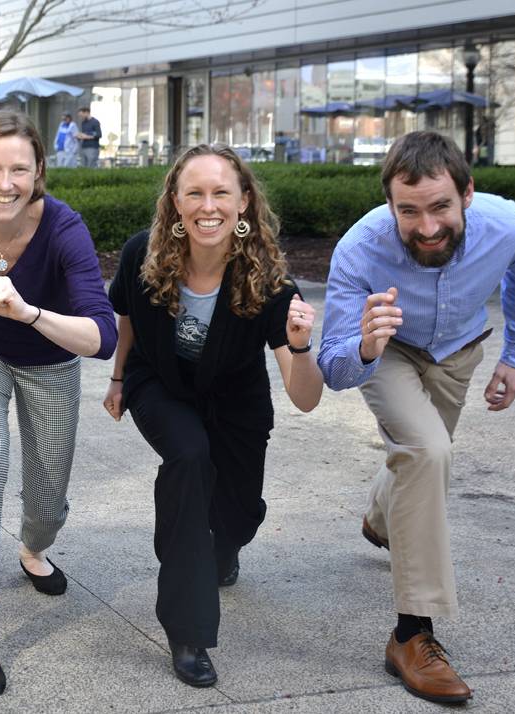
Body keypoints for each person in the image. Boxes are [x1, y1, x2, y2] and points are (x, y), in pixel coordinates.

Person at [318, 131, 515, 704]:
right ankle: (412, 633)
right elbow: (334, 369)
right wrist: (366, 345)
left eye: (440, 206)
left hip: (459, 351)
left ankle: (381, 518)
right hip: (389, 351)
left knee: (421, 455)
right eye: (409, 211)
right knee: (428, 451)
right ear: (390, 204)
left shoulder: (507, 226)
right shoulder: (360, 250)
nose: (426, 227)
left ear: (467, 194)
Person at [104, 144, 323, 687]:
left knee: (239, 515)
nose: (209, 206)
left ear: (243, 201)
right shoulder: (142, 254)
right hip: (161, 385)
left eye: (221, 192)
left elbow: (305, 397)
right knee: (189, 460)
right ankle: (188, 629)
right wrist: (116, 377)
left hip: (235, 399)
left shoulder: (268, 278)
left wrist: (299, 346)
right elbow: (126, 316)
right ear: (174, 202)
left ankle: (220, 549)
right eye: (194, 193)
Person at [0, 110, 117, 697]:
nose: (4, 182)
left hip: (47, 355)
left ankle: (34, 548)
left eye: (19, 169)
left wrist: (29, 312)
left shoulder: (64, 229)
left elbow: (102, 337)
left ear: (38, 173)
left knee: (48, 485)